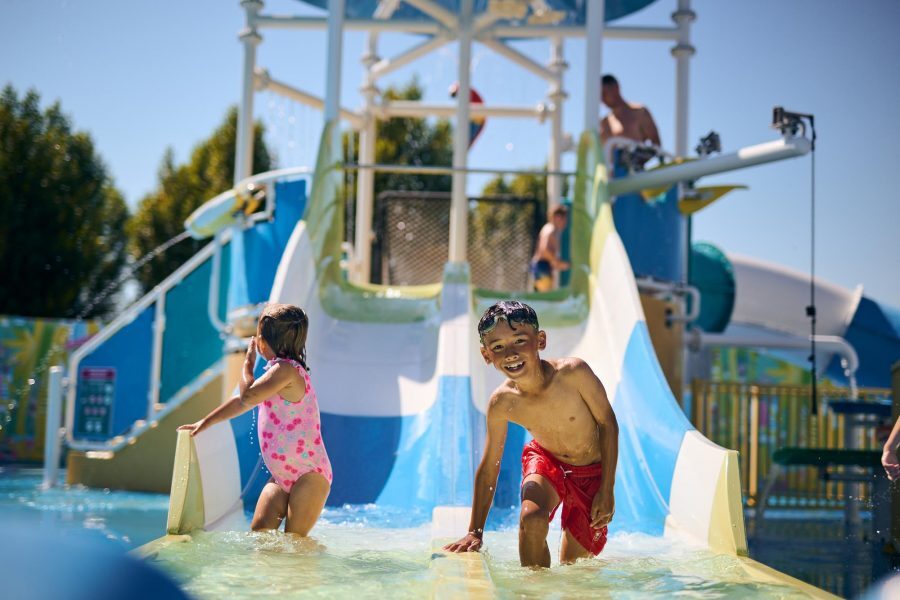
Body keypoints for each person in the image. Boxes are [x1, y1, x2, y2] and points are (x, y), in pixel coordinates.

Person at [444, 301, 618, 568]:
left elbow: (607, 424)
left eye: (519, 341)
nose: (510, 353)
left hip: (590, 472)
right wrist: (475, 531)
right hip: (546, 460)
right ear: (486, 355)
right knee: (531, 519)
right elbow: (490, 466)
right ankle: (532, 590)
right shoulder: (502, 402)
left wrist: (607, 489)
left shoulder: (573, 374)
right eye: (498, 347)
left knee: (574, 570)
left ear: (540, 340)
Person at [179, 303, 332, 536]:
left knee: (295, 540)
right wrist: (205, 422)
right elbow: (243, 402)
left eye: (258, 334)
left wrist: (247, 364)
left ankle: (303, 572)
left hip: (310, 475)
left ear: (263, 341)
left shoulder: (287, 371)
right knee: (260, 534)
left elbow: (247, 394)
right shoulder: (275, 373)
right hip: (282, 475)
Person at [599, 74, 661, 149]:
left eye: (604, 94)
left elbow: (656, 145)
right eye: (599, 96)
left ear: (616, 88)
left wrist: (638, 159)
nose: (602, 99)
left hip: (633, 159)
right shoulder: (604, 122)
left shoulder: (640, 112)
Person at [531, 205, 570, 292]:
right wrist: (557, 262)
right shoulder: (550, 229)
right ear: (557, 217)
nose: (565, 222)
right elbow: (544, 250)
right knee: (543, 297)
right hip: (541, 266)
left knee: (544, 295)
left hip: (543, 266)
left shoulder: (552, 230)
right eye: (564, 219)